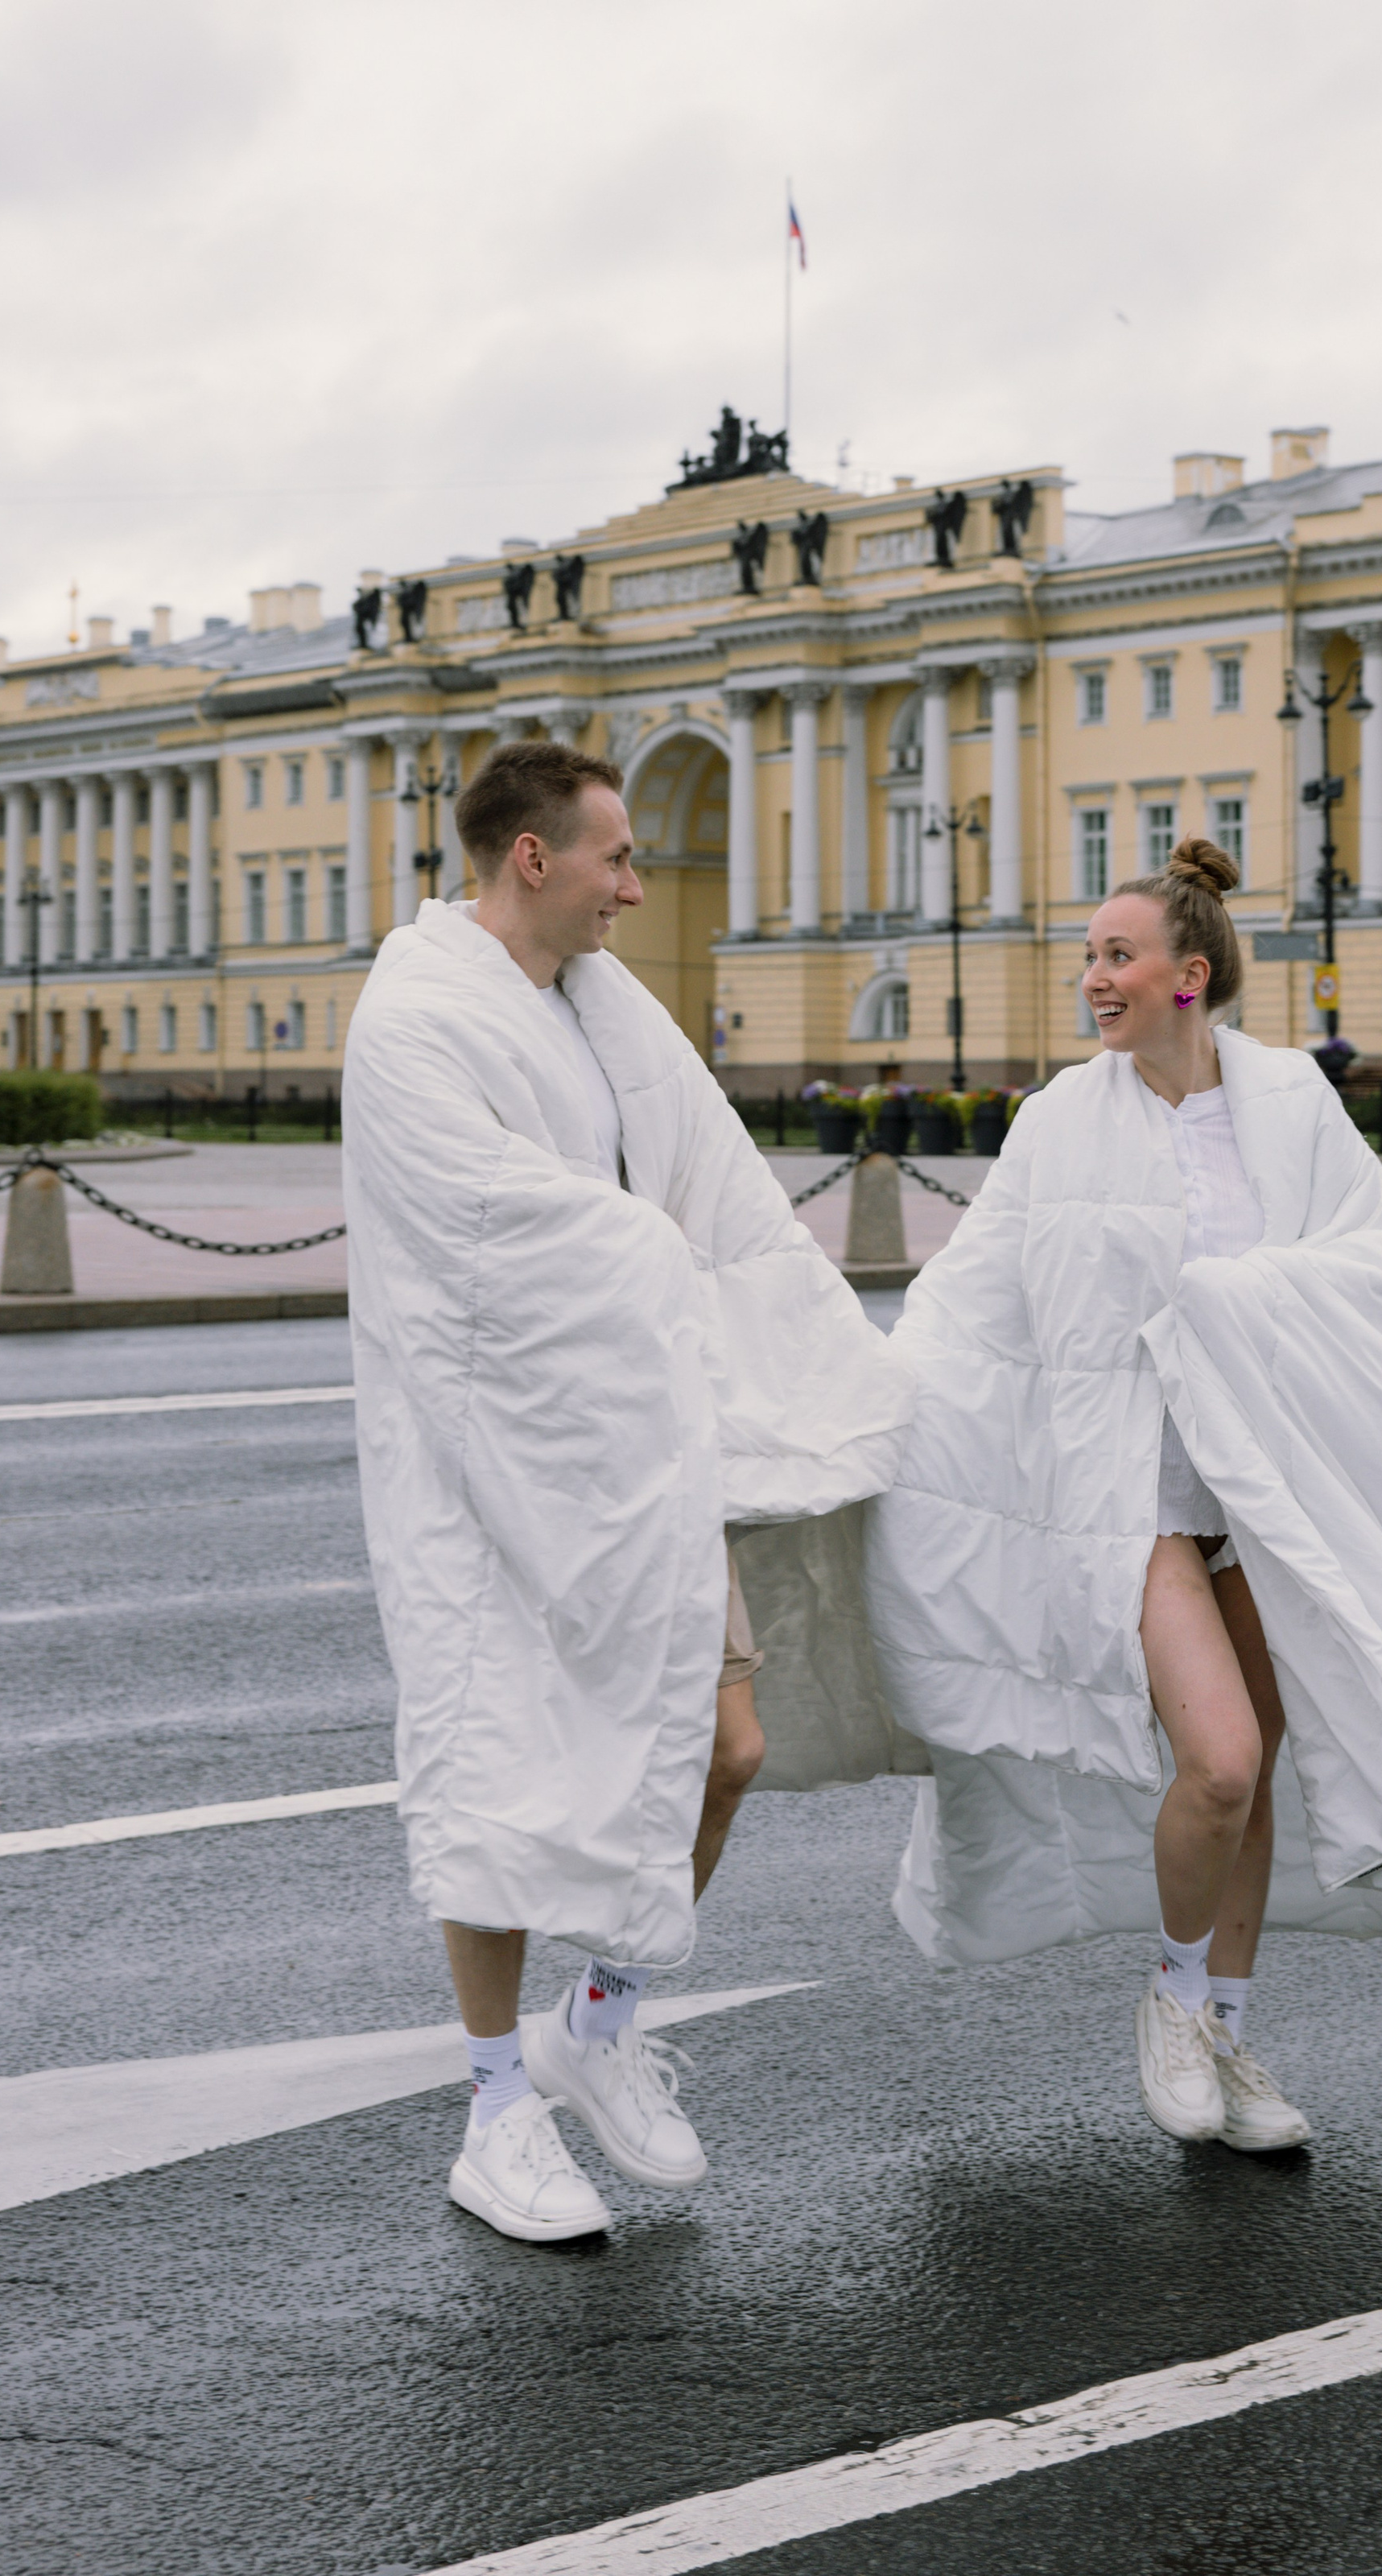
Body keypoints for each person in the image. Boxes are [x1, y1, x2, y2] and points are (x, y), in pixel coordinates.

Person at [864, 839, 1382, 2152]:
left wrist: (1232, 1300)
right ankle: (1172, 2002)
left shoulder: (1289, 1103)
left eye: (1118, 956)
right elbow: (974, 1297)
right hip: (1136, 1495)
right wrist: (866, 1396)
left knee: (1261, 1769)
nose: (1093, 979)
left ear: (1190, 974)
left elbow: (1371, 1263)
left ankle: (1228, 2026)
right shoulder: (1063, 1118)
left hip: (1265, 1487)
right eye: (1089, 958)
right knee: (1218, 1764)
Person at [343, 740, 912, 2243]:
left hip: (643, 1452)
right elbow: (474, 1232)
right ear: (534, 857)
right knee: (498, 1772)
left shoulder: (603, 1002)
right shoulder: (414, 1015)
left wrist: (803, 1332)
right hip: (490, 1468)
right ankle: (493, 2111)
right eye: (617, 858)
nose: (637, 889)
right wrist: (651, 1259)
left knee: (723, 1747)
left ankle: (595, 2027)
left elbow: (713, 1185)